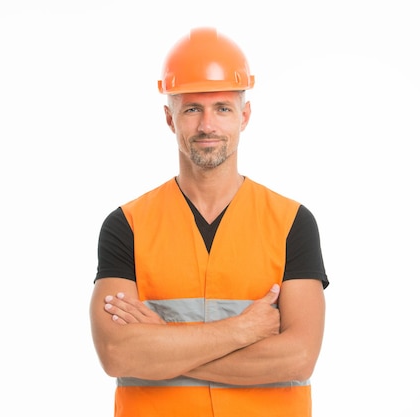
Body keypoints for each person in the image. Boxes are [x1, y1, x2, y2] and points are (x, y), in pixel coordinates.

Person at [89, 27, 329, 417]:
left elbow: (298, 358)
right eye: (192, 109)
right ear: (170, 118)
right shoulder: (126, 225)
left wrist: (163, 348)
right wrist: (241, 332)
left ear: (244, 116)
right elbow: (118, 354)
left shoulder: (292, 223)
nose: (207, 126)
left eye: (222, 108)